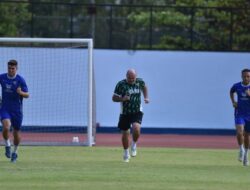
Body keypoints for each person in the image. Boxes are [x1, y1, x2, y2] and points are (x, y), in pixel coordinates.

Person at [112, 69, 149, 162]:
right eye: (129, 78)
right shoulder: (121, 84)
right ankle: (126, 152)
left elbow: (144, 87)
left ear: (136, 76)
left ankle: (134, 144)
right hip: (125, 112)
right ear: (126, 76)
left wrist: (146, 97)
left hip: (137, 111)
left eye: (133, 78)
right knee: (126, 133)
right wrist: (122, 98)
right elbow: (114, 98)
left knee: (136, 128)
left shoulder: (140, 82)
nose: (131, 80)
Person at [0, 60, 29, 163]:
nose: (11, 70)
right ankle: (7, 145)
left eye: (13, 68)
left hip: (17, 111)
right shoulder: (2, 77)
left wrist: (21, 92)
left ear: (16, 69)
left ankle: (15, 152)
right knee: (6, 127)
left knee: (16, 132)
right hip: (5, 108)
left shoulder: (20, 80)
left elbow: (27, 95)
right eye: (9, 68)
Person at [230, 68, 250, 166]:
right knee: (239, 132)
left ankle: (246, 155)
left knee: (247, 136)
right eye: (244, 76)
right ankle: (241, 149)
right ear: (241, 76)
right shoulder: (237, 86)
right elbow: (231, 91)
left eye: (248, 76)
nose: (246, 78)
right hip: (239, 114)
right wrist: (233, 102)